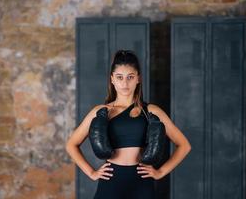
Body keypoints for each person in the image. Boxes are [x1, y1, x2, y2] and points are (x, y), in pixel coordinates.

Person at [66, 50, 191, 199]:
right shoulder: (101, 111)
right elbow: (71, 144)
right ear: (112, 79)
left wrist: (161, 172)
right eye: (120, 77)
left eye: (130, 77)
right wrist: (92, 173)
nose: (125, 83)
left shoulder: (150, 111)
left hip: (141, 182)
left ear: (138, 78)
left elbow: (184, 145)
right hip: (111, 180)